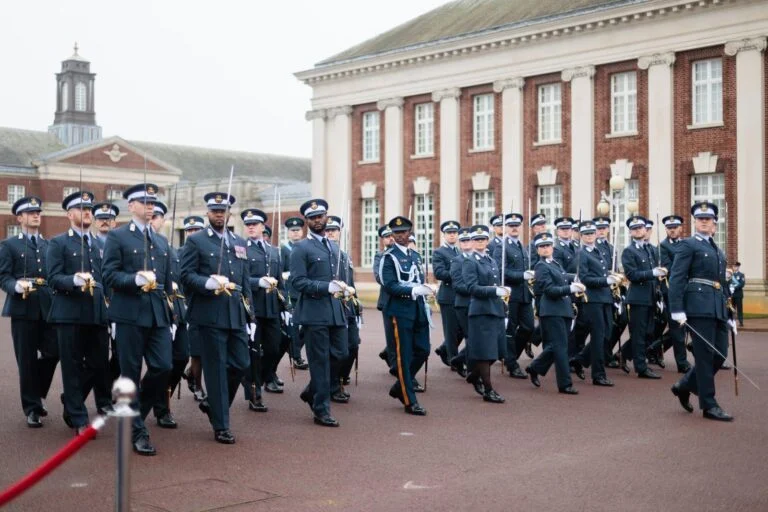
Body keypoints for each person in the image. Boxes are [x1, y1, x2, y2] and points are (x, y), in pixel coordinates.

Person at [101, 183, 173, 455]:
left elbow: (167, 283)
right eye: (144, 201)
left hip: (157, 316)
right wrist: (134, 279)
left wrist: (172, 316)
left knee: (163, 367)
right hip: (130, 314)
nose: (150, 205)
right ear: (131, 206)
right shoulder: (118, 237)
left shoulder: (161, 241)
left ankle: (134, 414)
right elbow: (108, 275)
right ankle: (137, 431)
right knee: (129, 373)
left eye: (152, 201)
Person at [180, 192, 253, 443]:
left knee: (241, 364)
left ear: (229, 213)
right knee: (216, 370)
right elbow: (186, 276)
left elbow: (244, 282)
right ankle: (221, 424)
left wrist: (249, 315)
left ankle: (213, 404)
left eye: (223, 211)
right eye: (215, 211)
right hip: (209, 315)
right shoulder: (196, 241)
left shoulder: (240, 242)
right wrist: (208, 282)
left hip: (235, 315)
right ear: (208, 213)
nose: (219, 215)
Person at [47, 190, 109, 435]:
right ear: (69, 214)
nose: (87, 213)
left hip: (95, 313)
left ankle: (70, 401)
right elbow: (53, 278)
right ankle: (79, 417)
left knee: (98, 365)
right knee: (71, 365)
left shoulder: (98, 244)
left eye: (89, 209)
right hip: (69, 312)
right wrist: (73, 279)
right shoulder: (59, 242)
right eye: (81, 209)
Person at [669, 201, 734, 421]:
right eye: (700, 219)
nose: (704, 222)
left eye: (708, 220)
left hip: (717, 307)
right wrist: (677, 309)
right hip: (698, 307)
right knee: (705, 357)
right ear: (695, 222)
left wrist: (730, 313)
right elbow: (677, 277)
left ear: (715, 225)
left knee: (721, 354)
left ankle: (685, 384)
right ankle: (709, 405)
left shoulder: (718, 249)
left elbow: (722, 284)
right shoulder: (688, 244)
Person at [0, 196, 58, 428]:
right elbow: (3, 276)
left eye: (38, 212)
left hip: (47, 306)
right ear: (20, 217)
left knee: (54, 351)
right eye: (30, 212)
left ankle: (38, 392)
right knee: (26, 360)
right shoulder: (9, 245)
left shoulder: (49, 245)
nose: (36, 215)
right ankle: (32, 408)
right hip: (23, 307)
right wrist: (15, 286)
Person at [290, 199, 349, 427]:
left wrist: (344, 288)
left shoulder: (334, 247)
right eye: (313, 217)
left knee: (341, 354)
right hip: (314, 312)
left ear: (326, 217)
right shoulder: (301, 248)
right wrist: (325, 288)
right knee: (320, 362)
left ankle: (311, 392)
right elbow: (298, 281)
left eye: (321, 216)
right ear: (307, 221)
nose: (318, 220)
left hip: (335, 311)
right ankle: (321, 409)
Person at [380, 215, 433, 416]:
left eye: (404, 232)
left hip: (418, 309)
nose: (401, 236)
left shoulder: (415, 256)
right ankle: (409, 399)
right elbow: (390, 285)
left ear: (410, 233)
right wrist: (413, 291)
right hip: (400, 311)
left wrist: (425, 289)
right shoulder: (389, 257)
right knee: (404, 355)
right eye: (397, 233)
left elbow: (418, 278)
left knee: (423, 350)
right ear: (392, 235)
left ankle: (400, 386)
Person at [526, 232, 583, 394]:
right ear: (537, 250)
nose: (545, 249)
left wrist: (575, 278)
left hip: (563, 309)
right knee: (561, 348)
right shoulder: (540, 266)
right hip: (551, 310)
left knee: (557, 345)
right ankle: (565, 384)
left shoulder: (556, 263)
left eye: (548, 245)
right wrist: (570, 288)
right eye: (542, 247)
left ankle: (535, 367)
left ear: (552, 247)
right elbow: (549, 290)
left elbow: (563, 277)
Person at [149, 201, 189, 429]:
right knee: (158, 364)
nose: (155, 220)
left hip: (177, 311)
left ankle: (162, 399)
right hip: (152, 311)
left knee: (181, 357)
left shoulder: (169, 247)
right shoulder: (139, 246)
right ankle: (159, 407)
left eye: (158, 217)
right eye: (152, 216)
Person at [240, 208, 283, 412]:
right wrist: (258, 282)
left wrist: (286, 306)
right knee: (253, 352)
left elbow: (280, 281)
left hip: (272, 308)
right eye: (248, 224)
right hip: (252, 309)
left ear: (262, 226)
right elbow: (238, 280)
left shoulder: (273, 251)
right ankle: (254, 392)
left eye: (254, 224)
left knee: (274, 348)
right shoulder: (241, 249)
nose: (251, 227)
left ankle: (263, 378)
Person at [462, 225, 509, 403]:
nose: (480, 242)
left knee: (497, 351)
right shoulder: (470, 261)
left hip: (495, 309)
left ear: (487, 241)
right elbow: (472, 288)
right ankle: (489, 390)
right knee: (485, 352)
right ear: (472, 242)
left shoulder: (491, 260)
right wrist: (495, 291)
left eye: (483, 239)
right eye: (476, 239)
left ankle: (474, 375)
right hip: (481, 311)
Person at [568, 221, 615, 387]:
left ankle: (579, 359)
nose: (589, 236)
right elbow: (585, 278)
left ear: (596, 234)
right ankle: (598, 374)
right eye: (586, 234)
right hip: (592, 299)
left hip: (605, 298)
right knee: (599, 336)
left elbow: (601, 271)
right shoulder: (581, 254)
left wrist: (611, 276)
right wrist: (605, 280)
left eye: (591, 233)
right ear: (581, 236)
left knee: (608, 334)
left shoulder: (599, 251)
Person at [620, 216, 667, 379]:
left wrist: (660, 276)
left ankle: (625, 355)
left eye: (640, 228)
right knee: (639, 334)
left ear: (645, 230)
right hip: (638, 298)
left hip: (651, 297)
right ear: (631, 232)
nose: (638, 231)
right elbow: (632, 274)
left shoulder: (650, 249)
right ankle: (641, 367)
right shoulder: (629, 251)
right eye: (634, 229)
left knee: (649, 332)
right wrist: (652, 273)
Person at [493, 213, 534, 379]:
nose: (514, 227)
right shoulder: (501, 247)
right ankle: (512, 364)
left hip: (524, 295)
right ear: (505, 228)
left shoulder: (522, 247)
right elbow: (500, 271)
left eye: (517, 225)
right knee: (510, 329)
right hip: (511, 294)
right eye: (511, 225)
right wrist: (522, 275)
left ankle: (511, 357)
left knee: (528, 327)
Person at [325, 215, 360, 400]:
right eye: (327, 230)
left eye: (334, 230)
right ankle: (332, 385)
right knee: (336, 350)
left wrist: (357, 304)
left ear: (340, 232)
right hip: (330, 307)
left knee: (353, 345)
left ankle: (339, 378)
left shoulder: (345, 255)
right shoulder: (324, 254)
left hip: (348, 308)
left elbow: (351, 282)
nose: (330, 233)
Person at [179, 215, 207, 402]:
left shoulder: (208, 250)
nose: (192, 233)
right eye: (189, 230)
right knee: (194, 349)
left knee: (202, 348)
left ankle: (192, 374)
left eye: (196, 230)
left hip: (202, 303)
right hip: (184, 303)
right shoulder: (178, 252)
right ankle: (197, 384)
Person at [433, 220, 462, 367]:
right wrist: (457, 274)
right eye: (449, 233)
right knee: (451, 330)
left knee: (462, 329)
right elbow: (439, 273)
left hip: (461, 295)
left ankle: (445, 349)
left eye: (455, 233)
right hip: (448, 295)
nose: (452, 235)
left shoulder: (460, 251)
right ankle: (453, 359)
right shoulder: (439, 252)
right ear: (444, 235)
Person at [281, 216, 309, 370]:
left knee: (307, 325)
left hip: (306, 292)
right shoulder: (284, 250)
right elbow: (278, 271)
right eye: (292, 231)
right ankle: (297, 357)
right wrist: (283, 275)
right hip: (291, 293)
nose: (295, 233)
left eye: (297, 230)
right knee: (293, 325)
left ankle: (292, 348)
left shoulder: (306, 247)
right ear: (288, 233)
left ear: (302, 231)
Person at [448, 227, 473, 377]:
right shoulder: (457, 261)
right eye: (462, 241)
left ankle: (460, 359)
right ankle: (470, 366)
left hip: (479, 303)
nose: (465, 243)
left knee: (477, 337)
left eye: (468, 240)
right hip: (463, 303)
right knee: (471, 336)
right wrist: (478, 289)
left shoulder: (481, 258)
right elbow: (457, 284)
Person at [375, 225, 396, 373]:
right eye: (387, 236)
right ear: (382, 240)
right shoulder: (380, 256)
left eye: (392, 235)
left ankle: (388, 353)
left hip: (404, 300)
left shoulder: (403, 254)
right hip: (388, 300)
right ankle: (395, 367)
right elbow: (379, 277)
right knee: (391, 335)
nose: (391, 238)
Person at [731, 262, 745, 327]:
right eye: (734, 266)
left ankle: (741, 321)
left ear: (738, 267)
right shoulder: (731, 275)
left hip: (738, 294)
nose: (734, 268)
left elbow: (742, 284)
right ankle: (732, 322)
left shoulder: (741, 275)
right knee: (732, 309)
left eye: (736, 266)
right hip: (732, 295)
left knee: (739, 309)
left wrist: (734, 287)